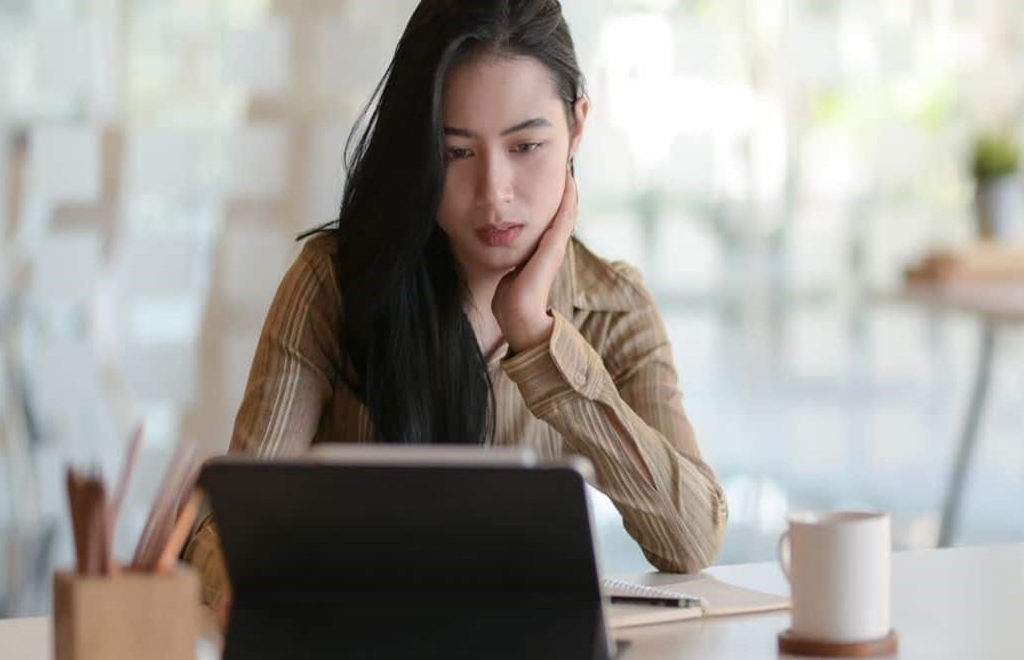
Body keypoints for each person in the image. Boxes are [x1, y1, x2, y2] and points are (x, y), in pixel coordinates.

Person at [184, 0, 728, 614]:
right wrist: (289, 595)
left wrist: (538, 336)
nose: (494, 194)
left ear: (577, 126)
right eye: (456, 153)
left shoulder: (612, 306)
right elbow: (222, 531)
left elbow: (692, 539)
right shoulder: (333, 284)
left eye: (526, 146)